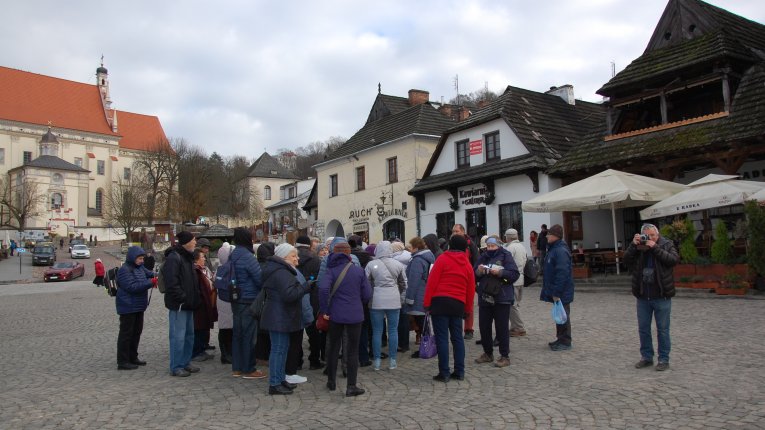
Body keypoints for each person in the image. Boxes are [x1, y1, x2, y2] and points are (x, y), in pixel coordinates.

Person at [320, 241, 372, 397]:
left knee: (334, 346)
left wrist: (324, 309)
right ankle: (351, 386)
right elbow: (367, 294)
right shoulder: (358, 271)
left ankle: (331, 381)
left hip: (335, 313)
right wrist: (357, 301)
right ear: (349, 254)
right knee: (352, 350)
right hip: (355, 313)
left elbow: (322, 288)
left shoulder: (330, 270)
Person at [624, 223, 679, 371]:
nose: (650, 238)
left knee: (662, 329)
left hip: (661, 295)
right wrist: (633, 245)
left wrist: (655, 247)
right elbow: (626, 261)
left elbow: (673, 260)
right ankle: (646, 357)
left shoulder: (666, 244)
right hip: (643, 296)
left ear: (658, 234)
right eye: (647, 236)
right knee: (643, 329)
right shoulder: (639, 247)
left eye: (653, 235)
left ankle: (664, 359)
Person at [260, 243, 311, 395]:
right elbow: (289, 295)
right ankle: (275, 383)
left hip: (280, 315)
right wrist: (305, 287)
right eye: (293, 256)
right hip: (279, 316)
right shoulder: (281, 272)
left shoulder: (280, 270)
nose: (297, 259)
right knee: (278, 350)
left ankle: (280, 379)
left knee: (281, 349)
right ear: (284, 258)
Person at [424, 234, 476, 382]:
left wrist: (427, 303)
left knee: (442, 339)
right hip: (458, 303)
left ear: (449, 245)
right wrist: (468, 309)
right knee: (457, 338)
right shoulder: (467, 264)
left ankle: (444, 372)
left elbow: (432, 283)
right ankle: (459, 371)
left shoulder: (442, 259)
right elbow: (470, 289)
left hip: (440, 302)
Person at [475, 236, 519, 368]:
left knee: (502, 328)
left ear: (498, 245)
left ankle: (505, 356)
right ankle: (488, 353)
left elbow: (514, 274)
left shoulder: (506, 255)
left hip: (502, 297)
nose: (490, 248)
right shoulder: (483, 256)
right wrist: (479, 271)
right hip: (485, 296)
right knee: (484, 327)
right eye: (488, 246)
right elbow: (473, 273)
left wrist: (500, 272)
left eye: (492, 246)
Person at [163, 231, 201, 377]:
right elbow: (171, 282)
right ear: (186, 242)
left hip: (189, 303)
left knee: (189, 335)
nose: (195, 242)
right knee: (178, 336)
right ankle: (176, 366)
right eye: (193, 240)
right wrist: (182, 297)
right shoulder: (174, 257)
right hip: (179, 304)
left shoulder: (187, 257)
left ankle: (185, 362)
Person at [365, 241, 407, 371]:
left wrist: (370, 297)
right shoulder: (398, 264)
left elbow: (366, 284)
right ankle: (392, 360)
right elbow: (403, 284)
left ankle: (377, 361)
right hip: (393, 298)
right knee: (393, 330)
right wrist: (401, 298)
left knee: (377, 331)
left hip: (377, 299)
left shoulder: (371, 264)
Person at [230, 228, 265, 379]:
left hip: (235, 298)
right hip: (248, 299)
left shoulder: (233, 254)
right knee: (249, 335)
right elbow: (259, 278)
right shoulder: (248, 256)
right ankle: (249, 368)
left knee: (237, 334)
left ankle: (237, 367)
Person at [116, 246, 156, 370]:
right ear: (133, 258)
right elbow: (132, 287)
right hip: (128, 306)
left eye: (142, 258)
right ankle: (123, 361)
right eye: (139, 258)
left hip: (139, 306)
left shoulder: (140, 268)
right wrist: (151, 282)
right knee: (126, 334)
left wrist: (159, 275)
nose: (141, 260)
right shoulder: (124, 270)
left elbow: (152, 274)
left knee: (136, 333)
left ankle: (133, 356)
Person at [539, 224, 574, 351]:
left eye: (549, 234)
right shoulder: (554, 249)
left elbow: (562, 273)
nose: (547, 236)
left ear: (556, 236)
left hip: (561, 291)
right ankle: (560, 338)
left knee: (563, 315)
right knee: (559, 315)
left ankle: (565, 341)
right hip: (557, 290)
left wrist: (557, 292)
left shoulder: (560, 251)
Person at [296, 235, 324, 370]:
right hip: (312, 298)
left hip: (295, 297)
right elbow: (320, 280)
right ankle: (314, 360)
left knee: (297, 332)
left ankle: (297, 360)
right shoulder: (315, 259)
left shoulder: (292, 257)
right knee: (314, 332)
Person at [404, 236, 435, 357]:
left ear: (416, 248)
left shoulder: (417, 260)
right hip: (424, 293)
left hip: (418, 296)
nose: (409, 250)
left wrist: (409, 299)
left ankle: (425, 348)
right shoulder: (427, 258)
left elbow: (413, 281)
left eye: (411, 247)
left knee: (422, 324)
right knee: (424, 323)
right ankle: (427, 346)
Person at [450, 224, 479, 340]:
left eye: (457, 231)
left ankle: (468, 329)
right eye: (453, 231)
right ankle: (455, 328)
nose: (455, 233)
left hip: (467, 277)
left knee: (469, 304)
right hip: (454, 277)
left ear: (463, 231)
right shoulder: (451, 243)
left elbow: (476, 261)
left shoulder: (470, 244)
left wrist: (475, 279)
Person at [191, 250, 217, 362]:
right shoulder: (195, 271)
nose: (204, 259)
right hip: (200, 304)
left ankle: (202, 349)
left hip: (208, 302)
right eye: (202, 257)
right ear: (196, 259)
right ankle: (196, 351)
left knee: (204, 328)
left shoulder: (204, 270)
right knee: (198, 328)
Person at [504, 229, 528, 337]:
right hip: (521, 279)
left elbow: (507, 264)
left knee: (512, 305)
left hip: (513, 280)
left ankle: (519, 327)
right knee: (516, 304)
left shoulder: (510, 248)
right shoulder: (522, 247)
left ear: (508, 237)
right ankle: (515, 326)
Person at [216, 242, 234, 364]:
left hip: (222, 299)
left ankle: (226, 353)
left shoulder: (220, 268)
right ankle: (226, 354)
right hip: (228, 300)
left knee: (224, 328)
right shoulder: (230, 268)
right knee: (228, 329)